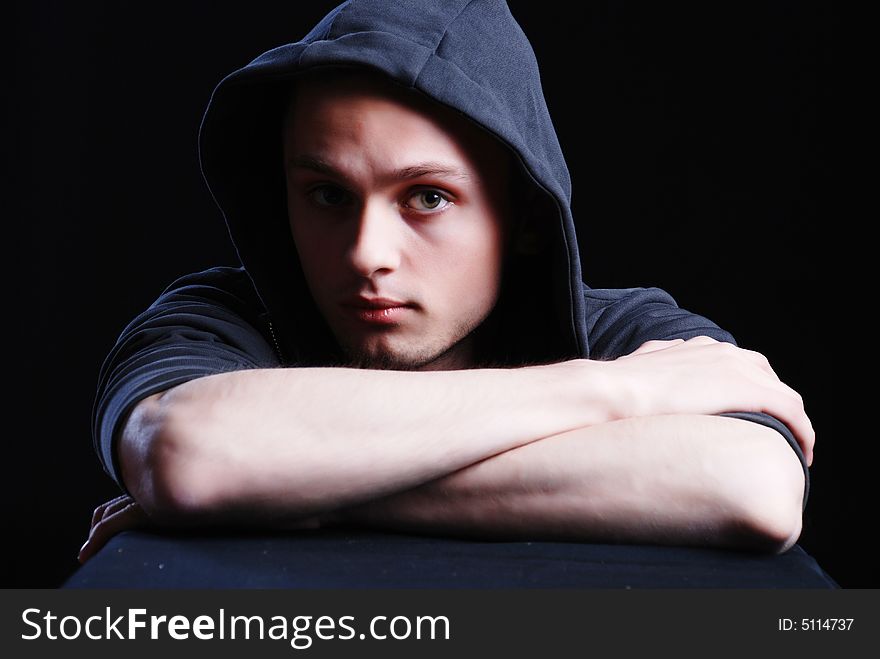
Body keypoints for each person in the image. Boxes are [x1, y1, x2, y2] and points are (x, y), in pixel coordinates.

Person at [79, 0, 814, 564]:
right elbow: (189, 453)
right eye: (329, 195)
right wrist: (613, 394)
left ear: (524, 215)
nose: (368, 254)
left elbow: (753, 488)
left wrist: (292, 490)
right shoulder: (215, 319)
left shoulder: (630, 333)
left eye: (426, 196)